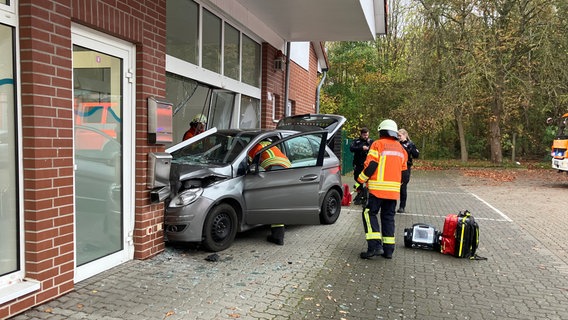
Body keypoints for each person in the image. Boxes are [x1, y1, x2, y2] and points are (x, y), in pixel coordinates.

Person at [356, 119, 407, 259]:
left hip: (377, 191)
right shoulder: (401, 149)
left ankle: (374, 247)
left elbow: (371, 166)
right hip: (393, 193)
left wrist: (359, 182)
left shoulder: (377, 144)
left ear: (381, 131)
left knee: (369, 214)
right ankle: (389, 250)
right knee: (388, 218)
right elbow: (405, 174)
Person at [247, 139, 292, 245]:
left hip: (275, 170)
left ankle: (277, 237)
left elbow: (250, 166)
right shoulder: (272, 145)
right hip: (289, 169)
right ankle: (279, 235)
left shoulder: (253, 148)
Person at [397, 128, 419, 213]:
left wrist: (410, 148)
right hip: (396, 167)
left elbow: (416, 155)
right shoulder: (396, 143)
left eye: (400, 135)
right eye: (397, 135)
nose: (398, 137)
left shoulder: (410, 144)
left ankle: (402, 206)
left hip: (406, 167)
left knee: (403, 187)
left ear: (405, 135)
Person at [349, 127, 373, 205]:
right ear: (361, 134)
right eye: (364, 135)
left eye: (367, 135)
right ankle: (360, 194)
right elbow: (352, 148)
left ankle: (365, 197)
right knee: (358, 180)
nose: (366, 136)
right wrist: (361, 148)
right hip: (358, 164)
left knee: (367, 181)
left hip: (367, 166)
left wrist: (368, 147)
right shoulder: (357, 141)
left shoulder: (371, 141)